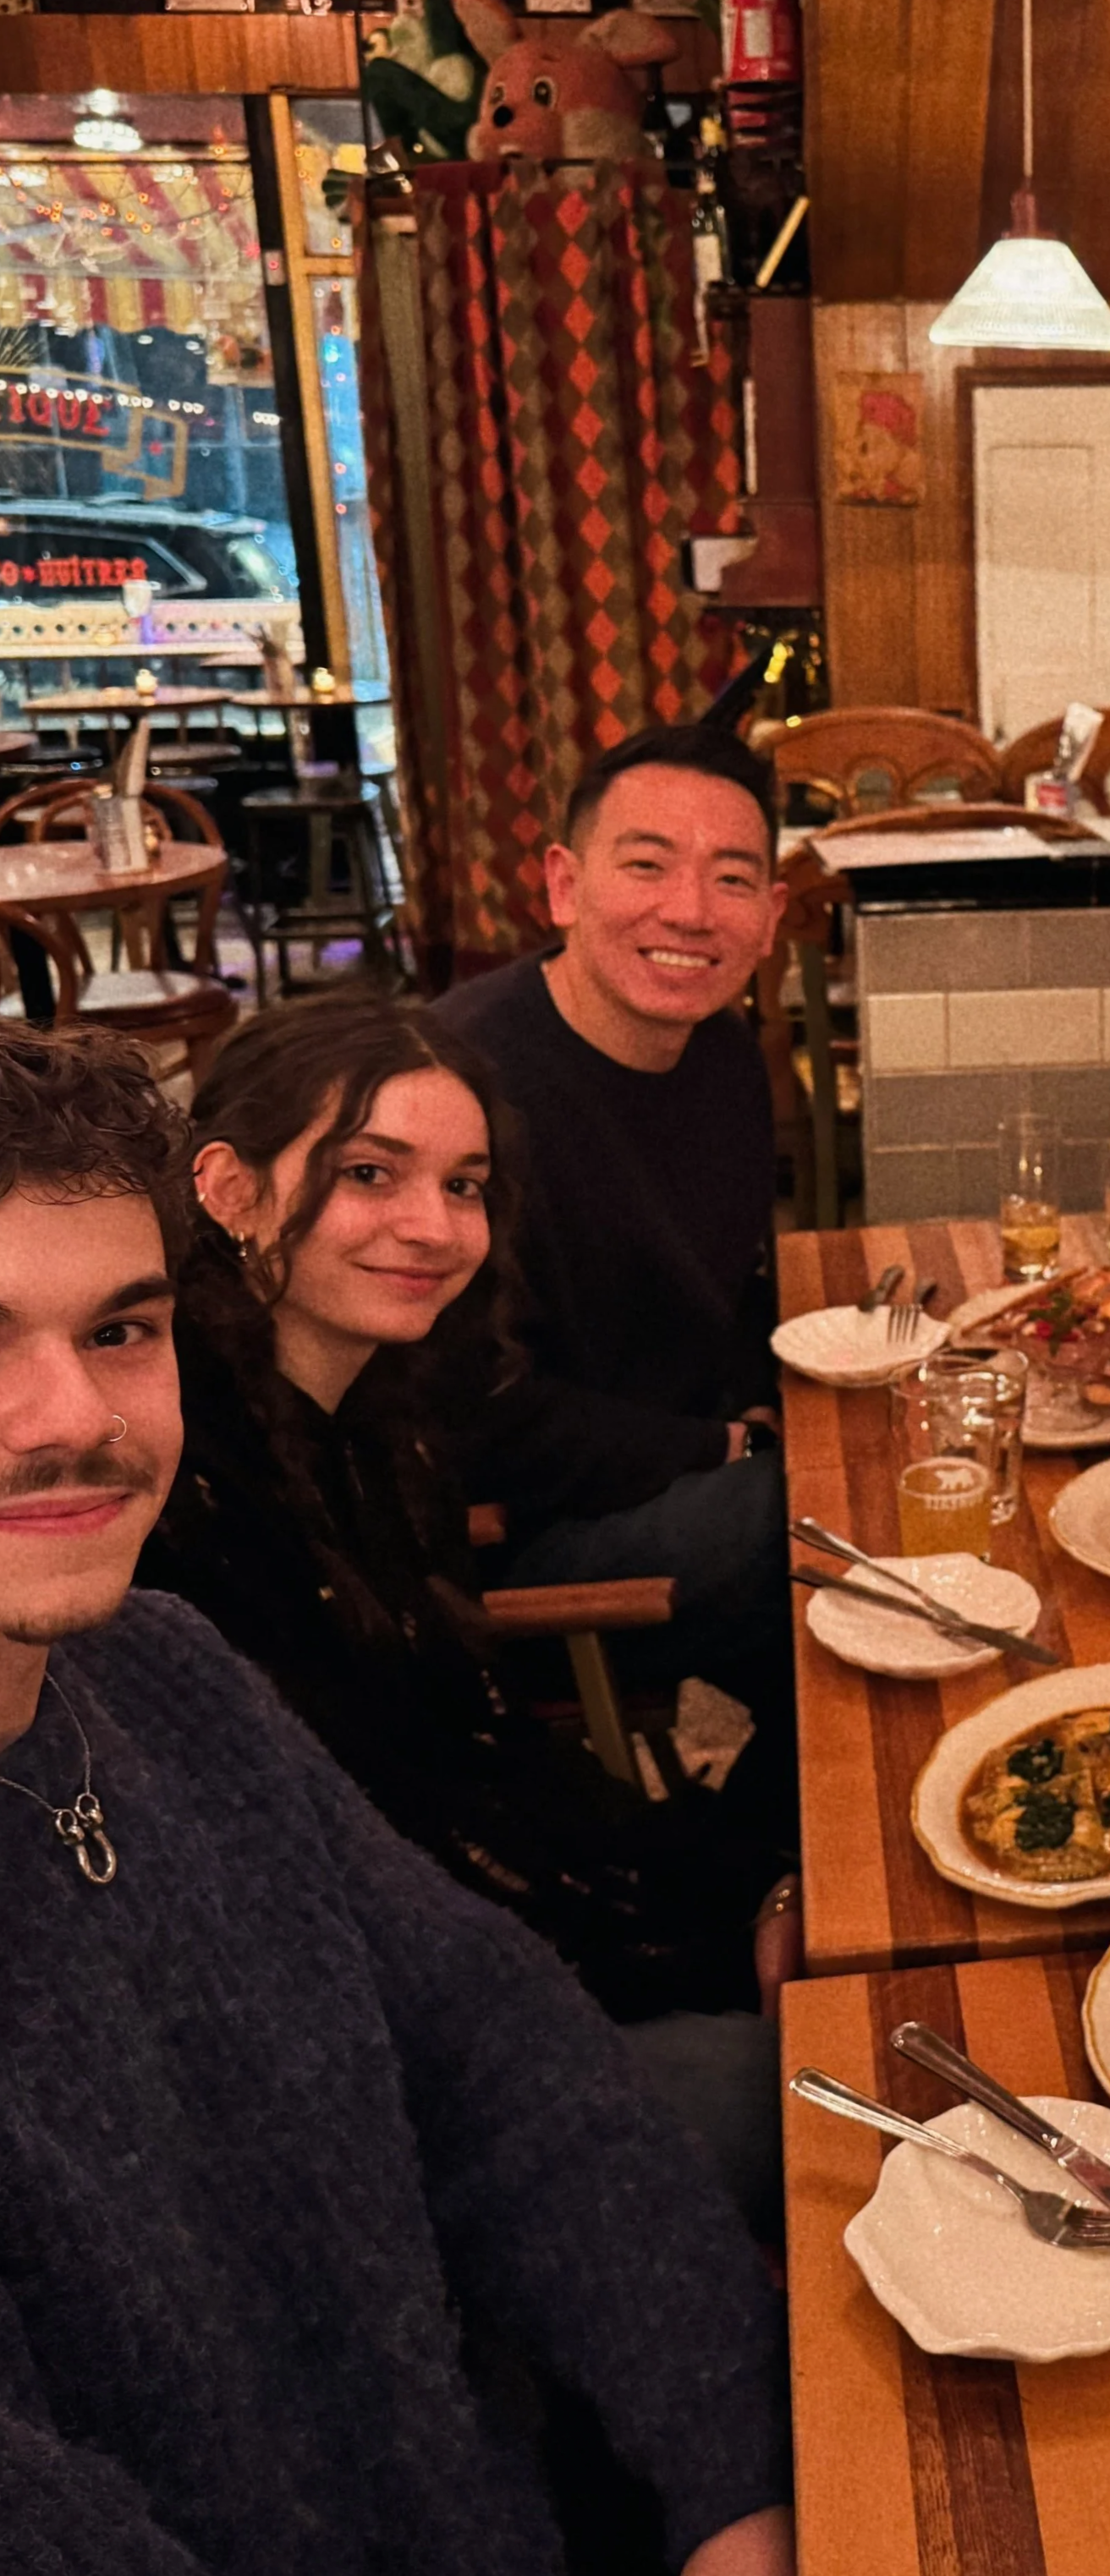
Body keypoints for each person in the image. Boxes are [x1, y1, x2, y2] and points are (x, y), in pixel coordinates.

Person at [0, 1022, 791, 2575]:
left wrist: (734, 2479)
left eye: (118, 1331)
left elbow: (502, 2053)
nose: (67, 1418)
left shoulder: (165, 1676)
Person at [132, 991, 788, 2230]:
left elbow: (476, 1758)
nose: (432, 1225)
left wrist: (755, 1887)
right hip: (367, 2093)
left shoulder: (379, 1424)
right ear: (226, 1188)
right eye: (370, 1172)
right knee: (814, 2102)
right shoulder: (187, 1498)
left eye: (466, 1183)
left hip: (482, 1934)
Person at [430, 723, 793, 1736]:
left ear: (768, 918)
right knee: (832, 1525)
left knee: (894, 1465)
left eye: (730, 879)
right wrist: (724, 1443)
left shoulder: (723, 1060)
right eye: (646, 864)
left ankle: (793, 1856)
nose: (688, 909)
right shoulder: (458, 1088)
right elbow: (467, 1416)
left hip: (668, 1475)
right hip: (515, 1553)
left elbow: (710, 1298)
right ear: (563, 884)